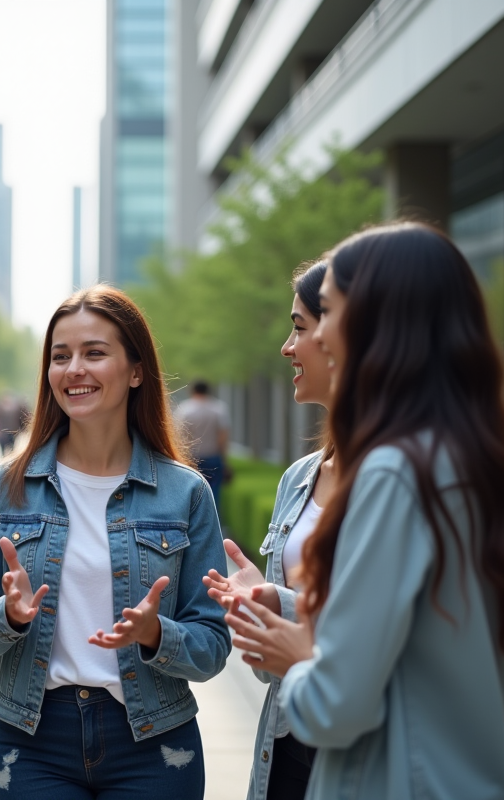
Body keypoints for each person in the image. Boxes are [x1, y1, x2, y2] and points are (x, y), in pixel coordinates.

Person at [223, 222, 504, 800]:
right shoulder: (469, 464)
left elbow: (333, 707)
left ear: (381, 324)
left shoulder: (393, 473)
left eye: (327, 312)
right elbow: (417, 651)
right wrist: (286, 608)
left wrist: (299, 658)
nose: (315, 337)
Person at [0, 286, 232, 799]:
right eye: (61, 356)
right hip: (31, 741)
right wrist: (7, 617)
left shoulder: (186, 493)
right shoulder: (5, 486)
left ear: (137, 370)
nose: (73, 368)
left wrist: (154, 635)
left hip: (154, 742)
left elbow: (212, 646)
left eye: (94, 353)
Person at [202, 261, 334, 800]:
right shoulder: (299, 478)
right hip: (286, 741)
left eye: (299, 327)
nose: (287, 346)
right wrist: (259, 606)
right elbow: (271, 672)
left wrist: (276, 601)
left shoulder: (408, 484)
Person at [174, 380, 231, 504]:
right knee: (214, 493)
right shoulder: (218, 409)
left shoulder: (184, 409)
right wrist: (225, 460)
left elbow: (179, 436)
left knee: (191, 494)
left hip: (191, 458)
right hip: (213, 457)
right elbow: (223, 436)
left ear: (193, 391)